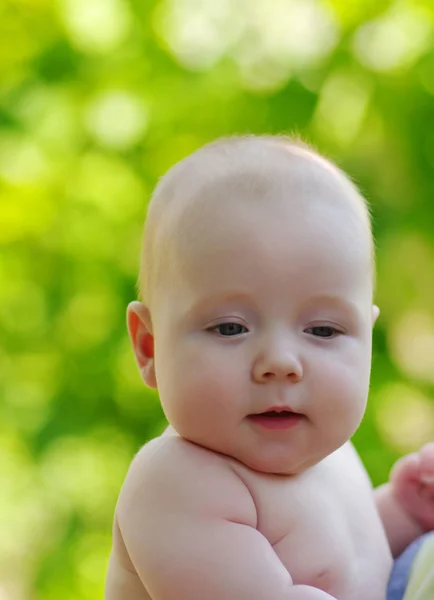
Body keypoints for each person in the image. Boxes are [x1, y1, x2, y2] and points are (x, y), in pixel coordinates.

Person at [105, 135, 434, 600]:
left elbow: (347, 568)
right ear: (149, 346)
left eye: (323, 331)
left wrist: (403, 511)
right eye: (229, 328)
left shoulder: (332, 453)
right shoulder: (175, 486)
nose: (281, 363)